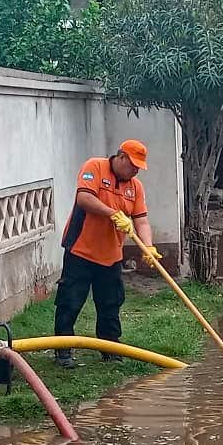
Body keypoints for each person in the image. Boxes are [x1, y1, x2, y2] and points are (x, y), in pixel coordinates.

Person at [54, 140, 162, 368]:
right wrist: (113, 214)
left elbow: (141, 219)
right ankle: (63, 350)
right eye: (132, 165)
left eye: (139, 168)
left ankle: (110, 347)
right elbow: (84, 198)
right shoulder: (94, 167)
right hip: (80, 250)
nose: (135, 171)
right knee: (70, 301)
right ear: (121, 156)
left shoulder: (136, 187)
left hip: (111, 255)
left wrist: (149, 246)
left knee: (111, 304)